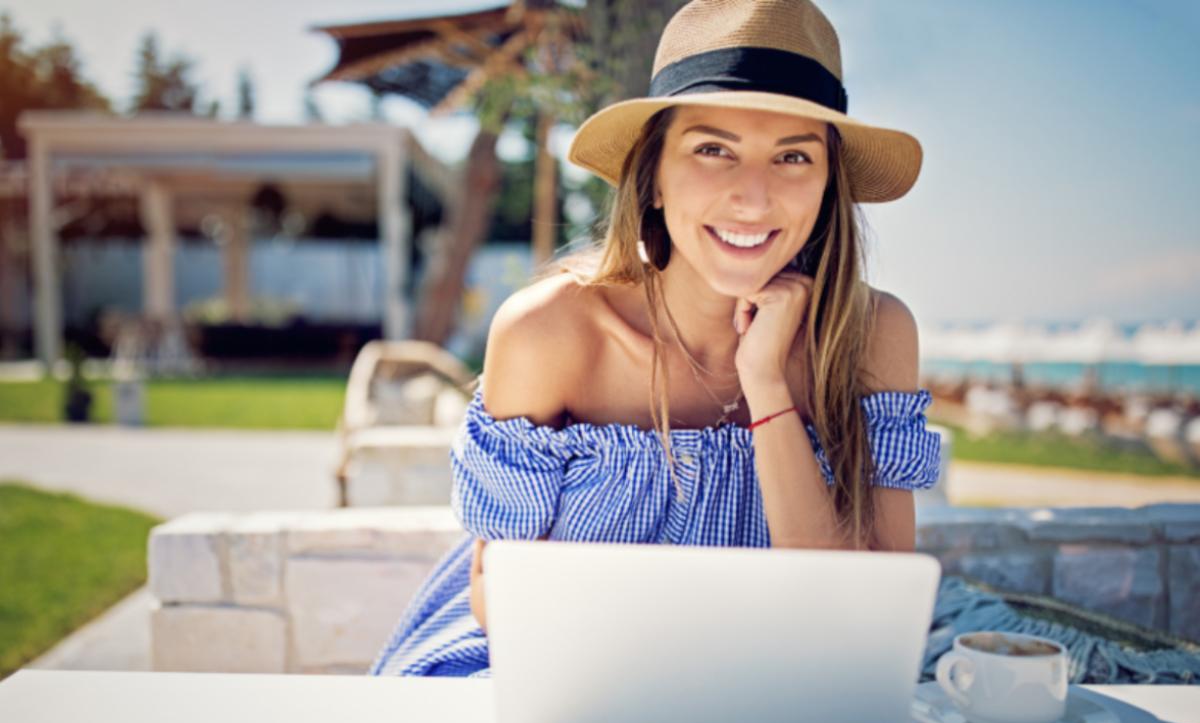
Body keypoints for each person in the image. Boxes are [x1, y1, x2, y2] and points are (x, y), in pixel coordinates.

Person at [370, 0, 941, 678]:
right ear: (655, 178)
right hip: (555, 671)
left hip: (769, 685)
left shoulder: (871, 335)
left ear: (827, 184)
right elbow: (499, 592)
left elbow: (861, 615)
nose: (754, 199)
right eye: (712, 150)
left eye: (793, 156)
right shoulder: (550, 333)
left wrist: (767, 388)